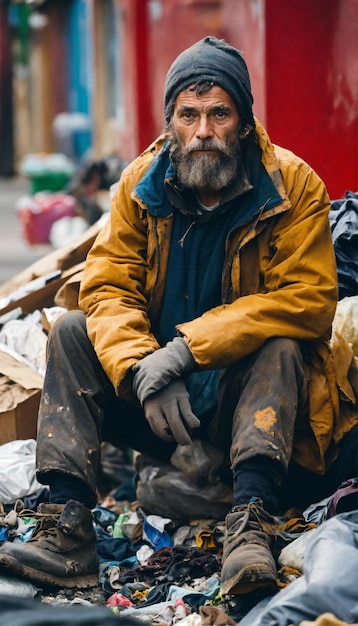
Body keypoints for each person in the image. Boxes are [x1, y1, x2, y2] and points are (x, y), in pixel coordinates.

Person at [0, 36, 356, 599]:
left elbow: (308, 299)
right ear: (170, 121)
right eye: (188, 115)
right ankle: (67, 533)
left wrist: (185, 351)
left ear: (243, 122)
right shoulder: (141, 187)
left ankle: (250, 526)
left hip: (251, 412)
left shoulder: (293, 186)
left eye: (219, 114)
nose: (203, 131)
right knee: (71, 331)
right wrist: (143, 368)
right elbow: (107, 284)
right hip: (162, 408)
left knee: (283, 344)